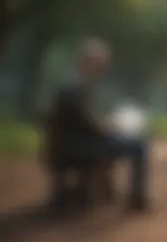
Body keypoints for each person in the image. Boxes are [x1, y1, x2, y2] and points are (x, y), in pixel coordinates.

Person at [50, 37, 149, 211]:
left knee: (125, 138)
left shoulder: (75, 83)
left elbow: (83, 119)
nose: (103, 67)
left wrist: (106, 124)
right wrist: (110, 127)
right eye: (100, 63)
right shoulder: (77, 86)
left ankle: (110, 192)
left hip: (75, 143)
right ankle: (137, 197)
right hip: (84, 146)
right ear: (87, 61)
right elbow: (88, 124)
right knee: (139, 145)